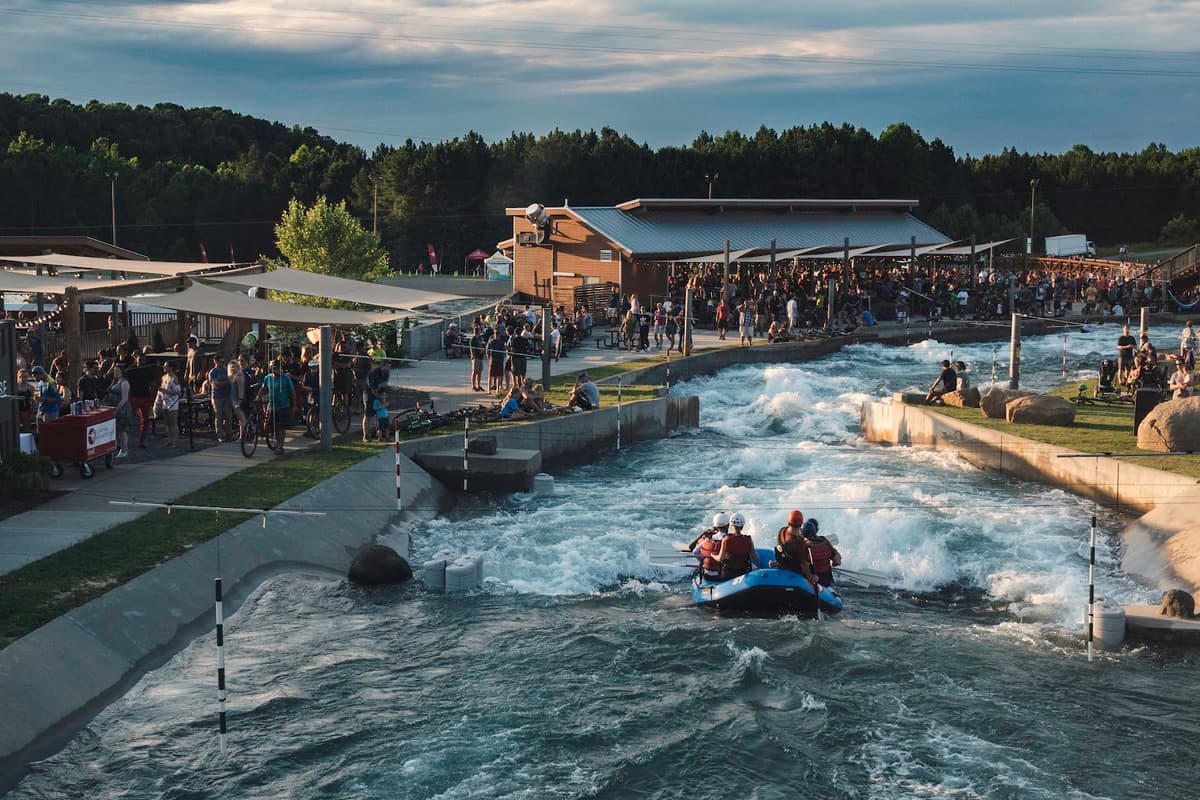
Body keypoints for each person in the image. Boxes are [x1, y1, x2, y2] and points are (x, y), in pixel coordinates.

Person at [260, 361, 296, 454]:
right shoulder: (267, 378)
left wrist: (294, 405)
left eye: (280, 368)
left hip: (284, 406)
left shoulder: (285, 378)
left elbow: (292, 391)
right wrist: (259, 397)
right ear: (272, 369)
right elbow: (263, 389)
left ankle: (280, 447)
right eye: (276, 368)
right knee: (274, 427)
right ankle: (277, 442)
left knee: (281, 427)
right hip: (273, 406)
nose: (279, 370)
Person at [715, 511, 759, 580]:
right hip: (743, 573)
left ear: (731, 525)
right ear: (742, 526)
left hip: (727, 575)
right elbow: (755, 559)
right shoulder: (748, 539)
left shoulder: (726, 539)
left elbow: (720, 559)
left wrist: (713, 555)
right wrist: (757, 555)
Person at [800, 518, 841, 587]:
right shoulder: (824, 542)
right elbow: (838, 562)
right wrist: (829, 564)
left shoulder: (803, 546)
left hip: (812, 583)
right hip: (826, 581)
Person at [691, 512, 731, 582]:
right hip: (721, 576)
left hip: (707, 576)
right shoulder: (728, 540)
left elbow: (695, 552)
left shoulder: (708, 539)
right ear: (727, 526)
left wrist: (703, 561)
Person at [107, 365, 132, 458]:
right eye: (115, 371)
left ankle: (124, 450)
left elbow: (124, 398)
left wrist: (117, 409)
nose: (116, 372)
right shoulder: (115, 381)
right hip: (114, 406)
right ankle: (121, 448)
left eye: (117, 371)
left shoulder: (124, 383)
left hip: (122, 409)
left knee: (122, 430)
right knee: (118, 430)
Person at [362, 359, 391, 441]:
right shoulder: (374, 373)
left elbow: (384, 387)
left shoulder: (386, 373)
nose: (388, 369)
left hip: (379, 393)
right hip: (369, 394)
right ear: (382, 366)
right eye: (387, 367)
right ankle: (366, 435)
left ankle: (379, 434)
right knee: (368, 414)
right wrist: (381, 400)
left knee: (380, 415)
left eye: (390, 367)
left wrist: (384, 398)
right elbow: (373, 390)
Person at [156, 362, 182, 448]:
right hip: (165, 401)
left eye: (166, 366)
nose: (164, 368)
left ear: (170, 367)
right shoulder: (163, 377)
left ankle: (174, 442)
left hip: (173, 402)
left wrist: (166, 391)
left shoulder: (174, 378)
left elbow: (178, 392)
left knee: (173, 422)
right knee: (168, 423)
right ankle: (169, 440)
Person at [208, 354, 233, 442]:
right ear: (215, 361)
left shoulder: (226, 370)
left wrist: (226, 382)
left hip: (226, 395)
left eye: (223, 362)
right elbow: (217, 384)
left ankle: (229, 433)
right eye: (220, 362)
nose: (222, 363)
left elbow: (231, 380)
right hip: (217, 396)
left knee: (228, 415)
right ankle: (220, 435)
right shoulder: (213, 372)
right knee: (218, 416)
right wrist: (226, 382)